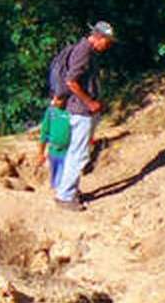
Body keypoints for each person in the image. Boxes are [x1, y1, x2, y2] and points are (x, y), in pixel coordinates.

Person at [46, 21, 116, 209]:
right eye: (107, 42)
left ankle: (70, 190)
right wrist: (90, 102)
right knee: (79, 154)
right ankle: (65, 196)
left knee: (76, 152)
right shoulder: (84, 52)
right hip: (81, 111)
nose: (108, 46)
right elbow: (71, 81)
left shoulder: (86, 50)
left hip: (80, 110)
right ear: (99, 37)